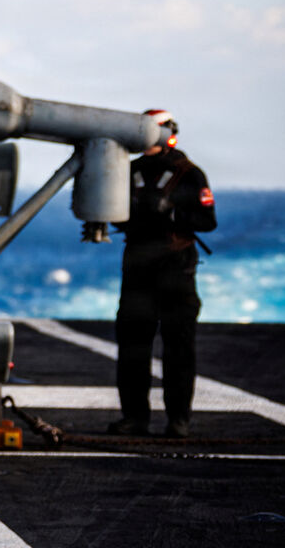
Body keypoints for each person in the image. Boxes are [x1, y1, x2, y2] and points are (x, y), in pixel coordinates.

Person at [108, 109, 216, 439]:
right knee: (132, 349)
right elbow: (115, 217)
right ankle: (135, 418)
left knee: (179, 349)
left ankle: (178, 420)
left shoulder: (189, 174)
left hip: (175, 270)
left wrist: (172, 212)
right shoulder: (129, 172)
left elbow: (207, 221)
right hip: (138, 271)